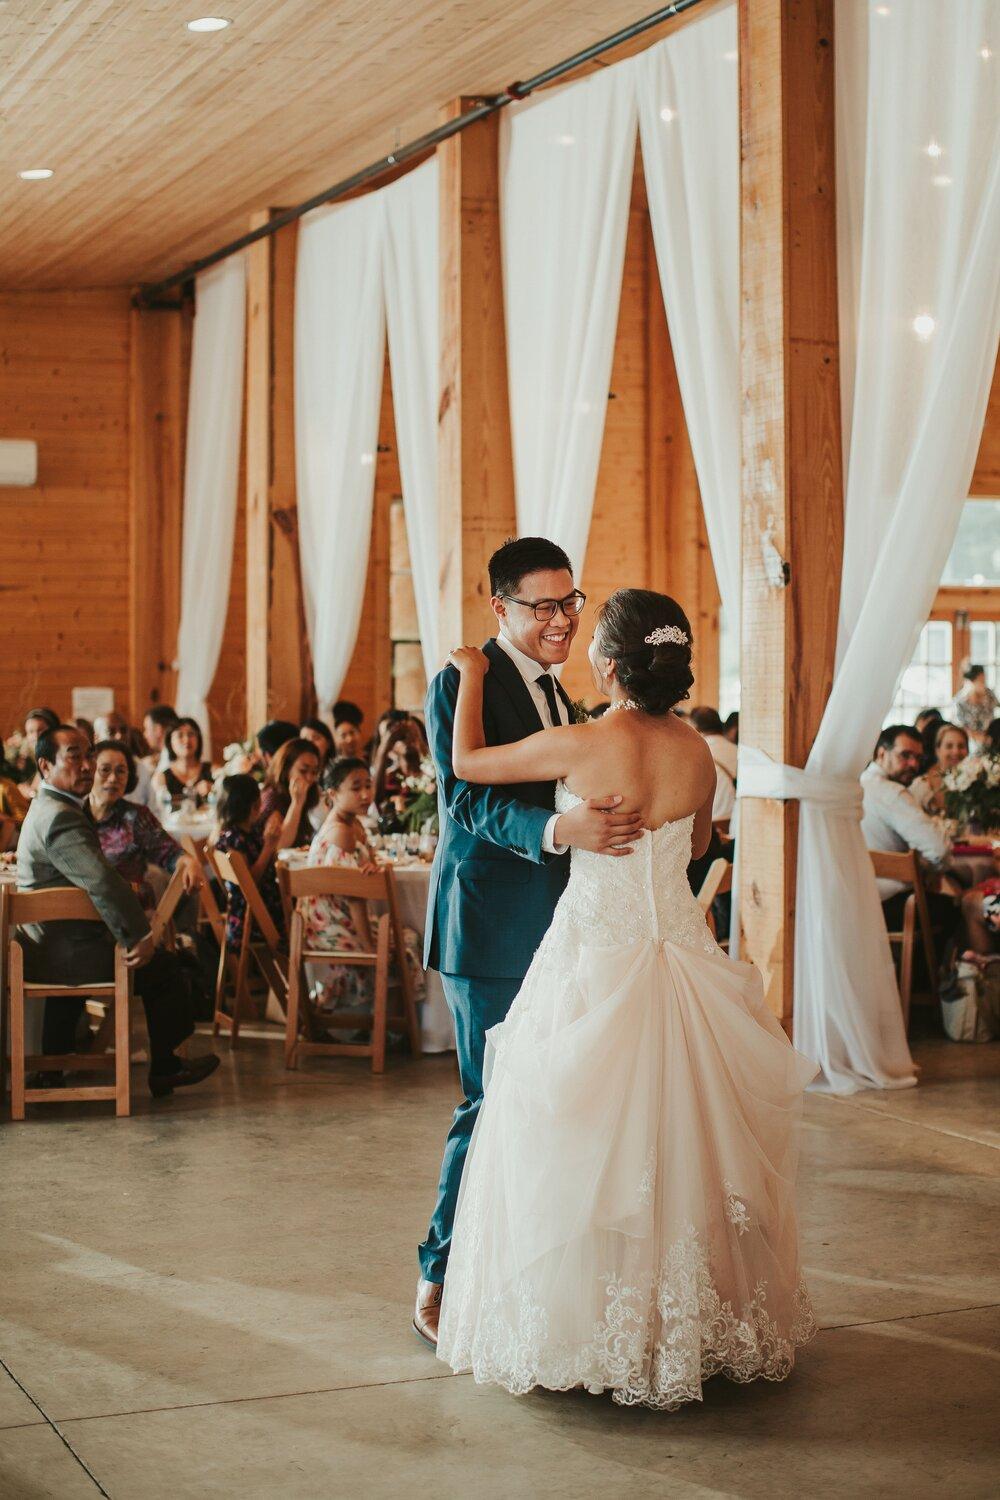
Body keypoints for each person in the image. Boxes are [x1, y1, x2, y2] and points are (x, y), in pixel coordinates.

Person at [434, 588, 817, 1409]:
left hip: (595, 958)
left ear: (609, 665)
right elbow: (700, 845)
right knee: (688, 1141)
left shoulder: (580, 743)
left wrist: (469, 675)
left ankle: (592, 1330)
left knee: (584, 1136)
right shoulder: (698, 753)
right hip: (680, 955)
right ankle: (684, 1326)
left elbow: (466, 765)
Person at [414, 536, 648, 1347]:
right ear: (499, 607)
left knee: (551, 1104)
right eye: (542, 606)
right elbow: (464, 798)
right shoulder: (462, 681)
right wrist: (558, 829)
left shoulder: (559, 693)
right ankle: (439, 1272)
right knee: (489, 1101)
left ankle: (520, 1273)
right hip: (487, 926)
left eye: (569, 602)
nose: (561, 620)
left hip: (559, 928)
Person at [15, 726, 219, 1097]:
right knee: (164, 966)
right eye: (74, 756)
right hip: (65, 952)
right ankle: (166, 1067)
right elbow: (104, 882)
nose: (87, 766)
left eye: (88, 756)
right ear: (45, 766)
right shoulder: (61, 816)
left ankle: (52, 1068)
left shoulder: (52, 807)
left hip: (52, 945)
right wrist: (139, 936)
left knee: (134, 957)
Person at [299, 756, 424, 1020]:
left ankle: (384, 1021)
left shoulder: (352, 824)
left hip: (332, 920)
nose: (366, 794)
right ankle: (392, 1024)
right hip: (334, 926)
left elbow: (363, 872)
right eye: (356, 788)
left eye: (368, 785)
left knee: (403, 935)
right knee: (407, 940)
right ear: (332, 794)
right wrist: (369, 947)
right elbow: (354, 896)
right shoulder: (341, 833)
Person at [861, 724, 960, 952]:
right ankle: (929, 973)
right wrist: (930, 871)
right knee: (956, 906)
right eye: (905, 755)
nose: (913, 764)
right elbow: (939, 851)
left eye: (918, 758)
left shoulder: (854, 786)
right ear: (881, 753)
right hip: (891, 906)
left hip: (851, 902)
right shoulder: (892, 793)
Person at [89, 740, 200, 910]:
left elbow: (170, 852)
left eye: (121, 771)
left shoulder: (134, 817)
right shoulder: (74, 816)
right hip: (77, 910)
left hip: (127, 911)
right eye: (105, 770)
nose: (113, 778)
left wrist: (187, 861)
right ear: (89, 771)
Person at [210, 772, 298, 949]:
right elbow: (250, 882)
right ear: (254, 805)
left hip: (250, 912)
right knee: (302, 907)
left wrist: (271, 844)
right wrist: (269, 846)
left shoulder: (243, 832)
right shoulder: (235, 839)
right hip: (254, 918)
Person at [256, 737, 321, 847]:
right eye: (303, 771)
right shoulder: (272, 797)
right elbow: (279, 846)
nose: (309, 778)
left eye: (314, 772)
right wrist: (297, 803)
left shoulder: (309, 794)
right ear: (286, 768)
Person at [94, 711, 158, 811]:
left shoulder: (139, 767)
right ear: (96, 737)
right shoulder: (89, 767)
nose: (119, 736)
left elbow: (153, 808)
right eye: (111, 731)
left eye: (123, 730)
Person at [908, 722, 970, 816]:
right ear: (938, 750)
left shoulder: (978, 784)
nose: (956, 751)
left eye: (961, 746)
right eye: (949, 746)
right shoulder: (922, 785)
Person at [689, 706, 738, 822]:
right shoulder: (737, 750)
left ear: (695, 728)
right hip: (734, 821)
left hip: (710, 824)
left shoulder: (695, 752)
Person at [152, 718, 214, 807]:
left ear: (199, 739)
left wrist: (214, 789)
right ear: (170, 742)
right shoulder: (161, 779)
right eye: (180, 735)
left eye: (191, 734)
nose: (186, 740)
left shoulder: (214, 771)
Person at [950, 665, 1000, 751]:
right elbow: (958, 726)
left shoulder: (989, 694)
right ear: (971, 681)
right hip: (969, 743)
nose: (983, 683)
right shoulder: (960, 701)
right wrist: (977, 737)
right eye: (980, 680)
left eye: (984, 679)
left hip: (990, 741)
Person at [142, 704, 178, 770]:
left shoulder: (170, 759)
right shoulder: (165, 754)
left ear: (158, 730)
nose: (144, 735)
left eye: (146, 729)